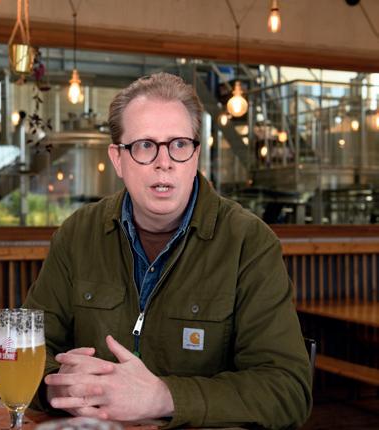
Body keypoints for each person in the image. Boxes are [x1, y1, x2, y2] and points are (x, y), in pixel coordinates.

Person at [24, 72, 312, 429]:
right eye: (145, 145)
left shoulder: (249, 243)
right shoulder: (77, 234)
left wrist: (163, 396)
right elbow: (28, 349)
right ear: (118, 158)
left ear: (195, 155)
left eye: (179, 144)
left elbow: (287, 389)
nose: (165, 162)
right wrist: (58, 387)